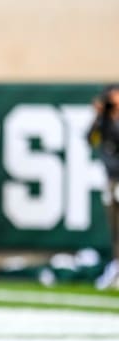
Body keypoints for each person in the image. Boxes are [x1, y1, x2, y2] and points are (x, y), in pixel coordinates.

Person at [88, 84, 119, 289]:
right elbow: (91, 139)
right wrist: (99, 116)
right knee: (115, 227)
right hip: (112, 178)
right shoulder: (105, 121)